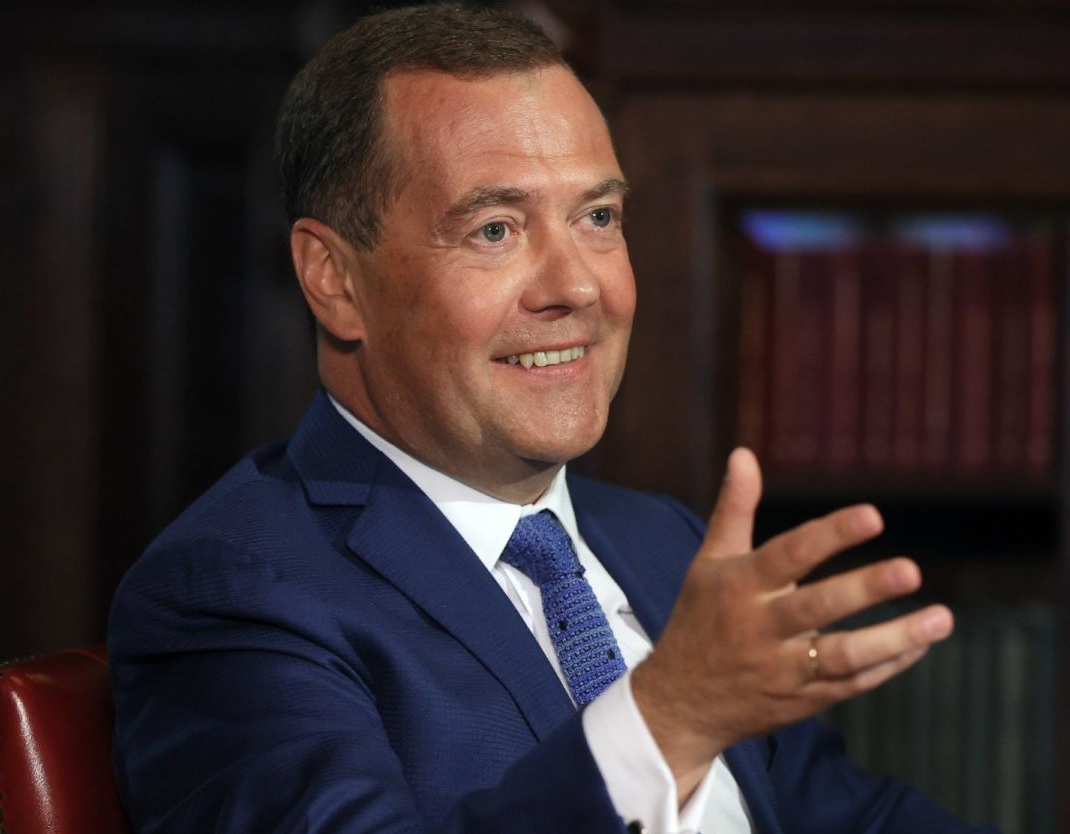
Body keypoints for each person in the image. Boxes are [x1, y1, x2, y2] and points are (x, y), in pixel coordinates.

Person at [109, 5, 995, 833]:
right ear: (334, 280)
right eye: (496, 230)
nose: (577, 287)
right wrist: (668, 718)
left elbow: (846, 816)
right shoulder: (234, 593)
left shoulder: (663, 543)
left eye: (597, 217)